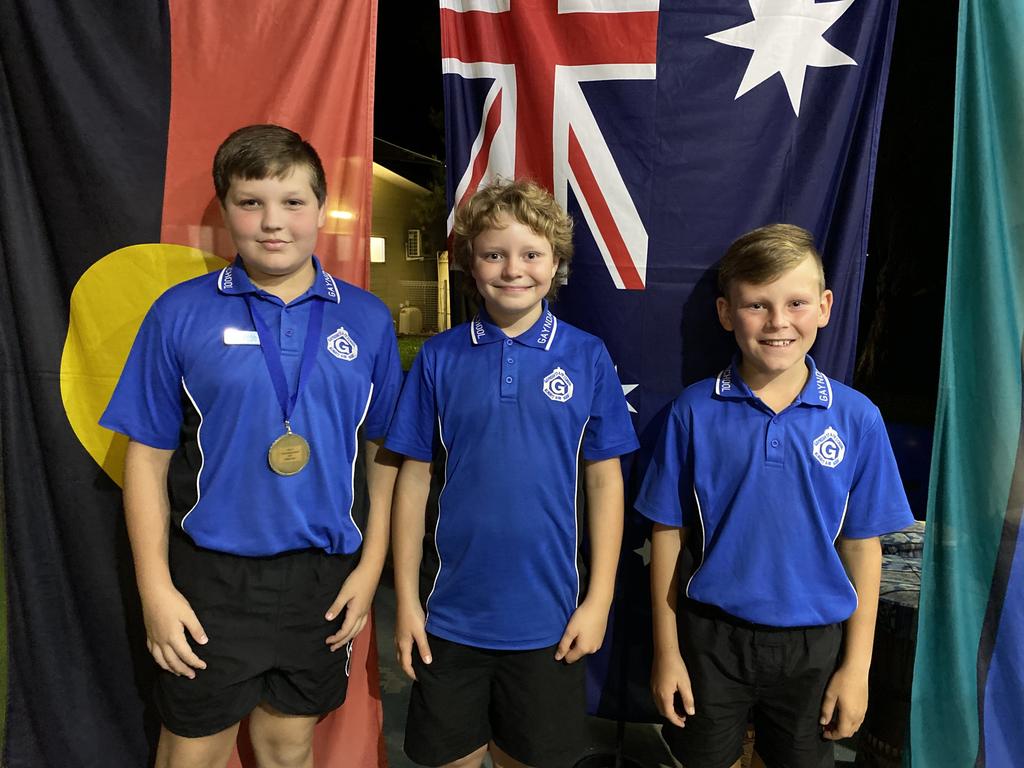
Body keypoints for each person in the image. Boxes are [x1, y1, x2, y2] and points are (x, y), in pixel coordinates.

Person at [100, 124, 402, 768]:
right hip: (211, 576)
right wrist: (156, 590)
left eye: (292, 202)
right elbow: (146, 462)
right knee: (192, 753)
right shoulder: (179, 313)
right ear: (226, 212)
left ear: (321, 208)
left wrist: (369, 571)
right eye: (250, 202)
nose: (273, 222)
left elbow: (382, 460)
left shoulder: (368, 319)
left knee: (288, 745)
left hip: (324, 576)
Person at [637, 223, 914, 768]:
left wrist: (857, 669)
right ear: (724, 313)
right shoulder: (693, 412)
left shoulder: (857, 417)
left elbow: (863, 547)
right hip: (711, 639)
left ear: (826, 306)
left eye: (796, 302)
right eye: (757, 305)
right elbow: (667, 534)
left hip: (815, 646)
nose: (779, 322)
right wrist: (666, 652)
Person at [385, 179, 639, 768]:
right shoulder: (440, 357)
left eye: (530, 254)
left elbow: (604, 483)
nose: (512, 269)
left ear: (557, 263)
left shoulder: (586, 356)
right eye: (494, 253)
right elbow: (413, 481)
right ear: (470, 264)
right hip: (447, 617)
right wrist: (405, 602)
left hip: (549, 622)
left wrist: (599, 600)